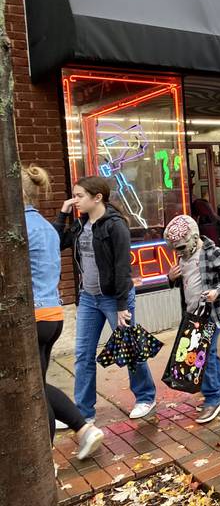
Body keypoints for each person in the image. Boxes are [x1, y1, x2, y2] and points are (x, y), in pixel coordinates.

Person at [54, 176, 157, 422]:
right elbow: (57, 243)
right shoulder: (80, 225)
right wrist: (63, 213)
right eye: (74, 196)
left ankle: (146, 397)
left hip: (114, 299)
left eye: (79, 196)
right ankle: (83, 412)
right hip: (89, 298)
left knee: (130, 349)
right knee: (83, 355)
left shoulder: (115, 225)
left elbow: (123, 268)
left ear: (97, 197)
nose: (75, 200)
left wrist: (122, 306)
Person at [22, 165, 104, 461]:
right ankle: (83, 430)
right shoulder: (44, 226)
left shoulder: (17, 228)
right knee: (37, 386)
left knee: (33, 389)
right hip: (52, 314)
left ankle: (46, 460)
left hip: (32, 318)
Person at [164, 215, 220, 423]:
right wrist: (171, 278)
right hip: (193, 314)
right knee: (210, 353)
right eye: (175, 249)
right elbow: (187, 283)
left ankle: (213, 398)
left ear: (194, 238)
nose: (178, 252)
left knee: (203, 355)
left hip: (212, 313)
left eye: (181, 247)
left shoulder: (211, 252)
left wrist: (217, 292)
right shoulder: (183, 257)